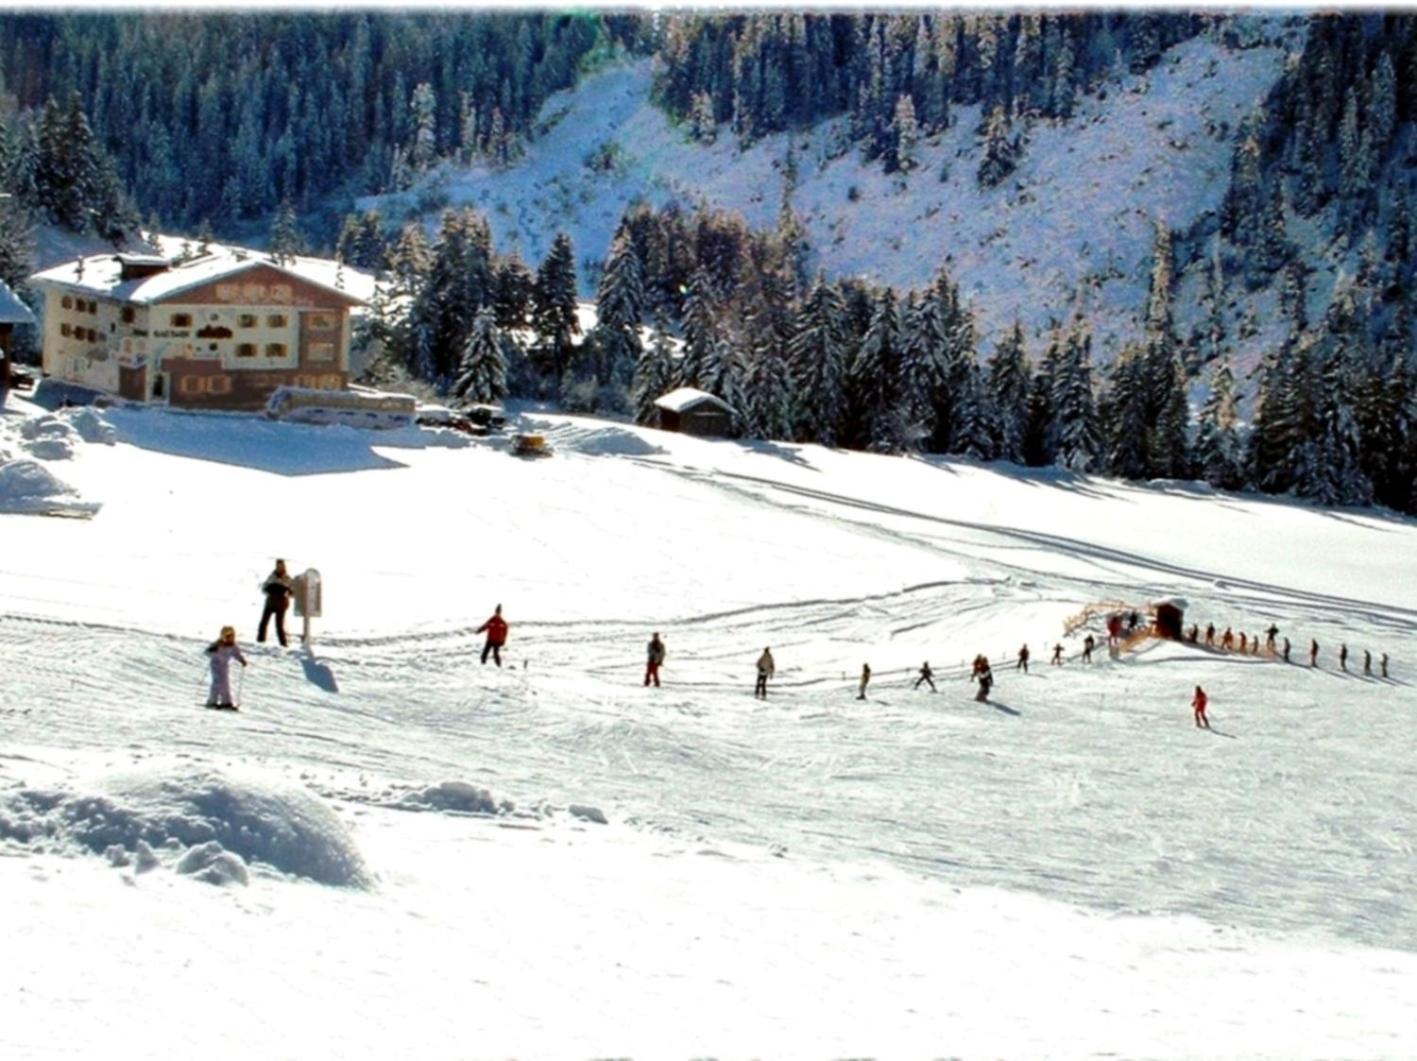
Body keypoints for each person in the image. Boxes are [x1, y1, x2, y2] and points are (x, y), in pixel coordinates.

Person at [205, 626, 247, 709]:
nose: (230, 638)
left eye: (231, 636)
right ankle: (212, 701)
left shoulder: (233, 646)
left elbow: (236, 654)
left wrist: (242, 660)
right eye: (228, 636)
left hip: (224, 666)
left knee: (225, 683)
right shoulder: (218, 644)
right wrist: (212, 650)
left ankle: (226, 701)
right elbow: (207, 653)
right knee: (217, 682)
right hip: (216, 665)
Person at [257, 558, 293, 647]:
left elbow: (292, 593)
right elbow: (264, 588)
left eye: (281, 566)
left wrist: (286, 592)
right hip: (270, 603)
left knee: (279, 626)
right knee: (263, 623)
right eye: (278, 566)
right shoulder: (272, 576)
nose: (279, 567)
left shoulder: (288, 579)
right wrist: (268, 590)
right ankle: (260, 642)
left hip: (281, 605)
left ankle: (283, 644)